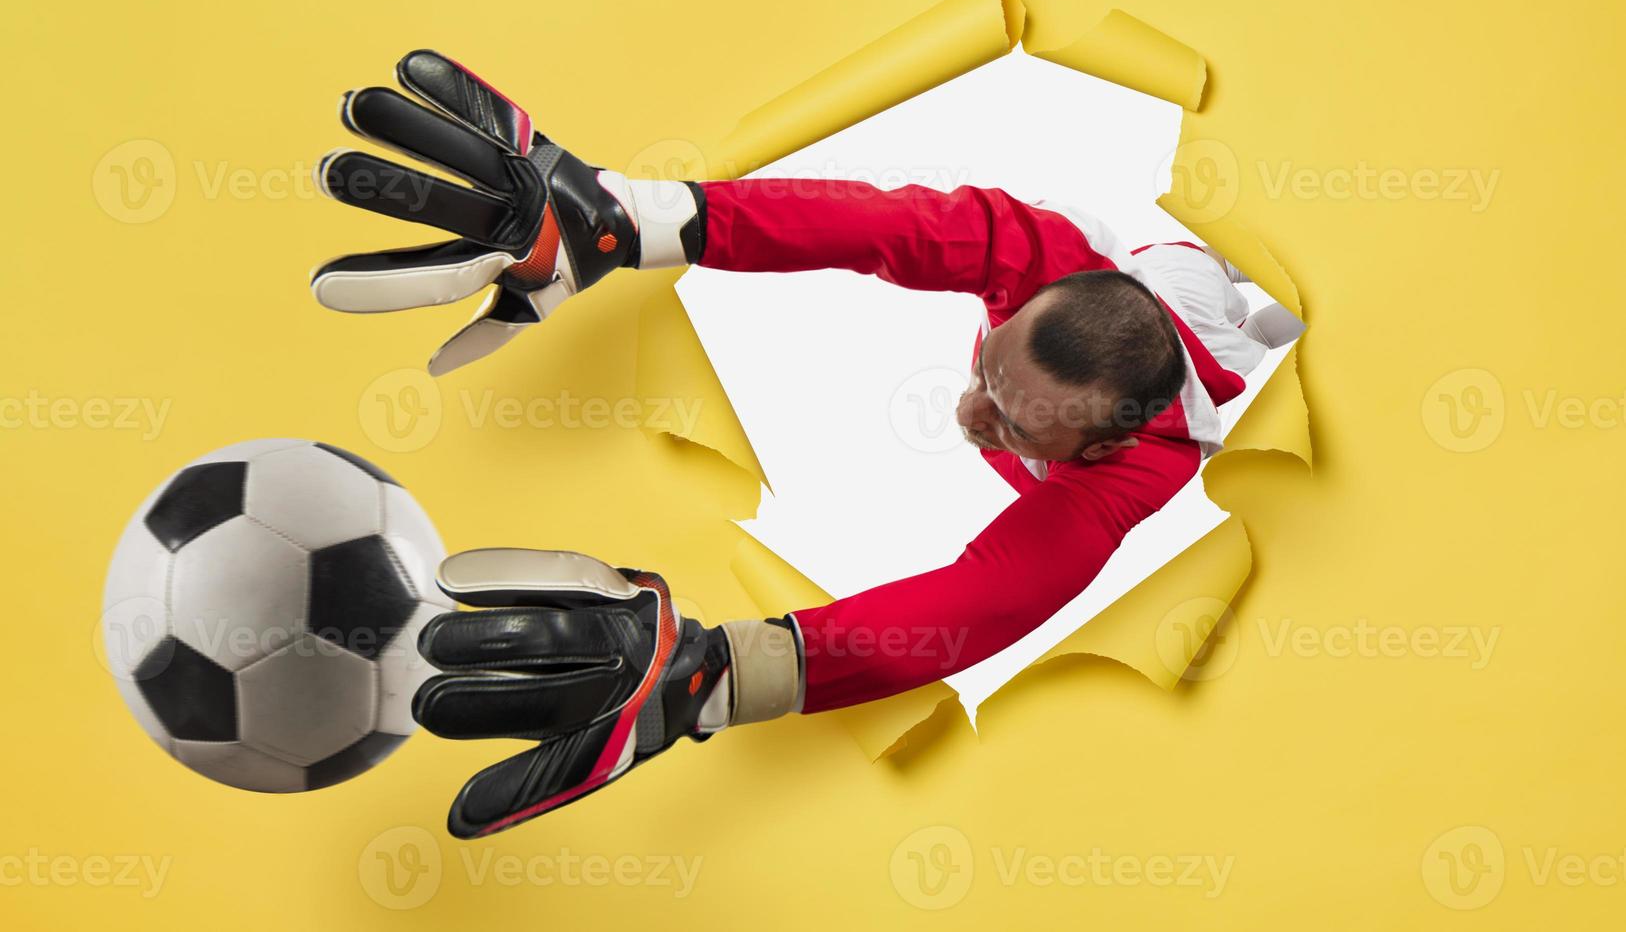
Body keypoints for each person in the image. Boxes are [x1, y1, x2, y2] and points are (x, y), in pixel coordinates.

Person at [312, 50, 1295, 837]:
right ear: (1028, 299)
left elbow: (987, 599)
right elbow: (868, 227)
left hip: (1207, 325)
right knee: (1177, 261)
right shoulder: (1038, 252)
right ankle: (1205, 263)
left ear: (1094, 449)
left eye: (1019, 425)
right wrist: (635, 219)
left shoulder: (1147, 460)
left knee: (1244, 307)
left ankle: (1251, 293)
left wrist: (727, 672)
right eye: (992, 371)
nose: (975, 412)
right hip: (1152, 276)